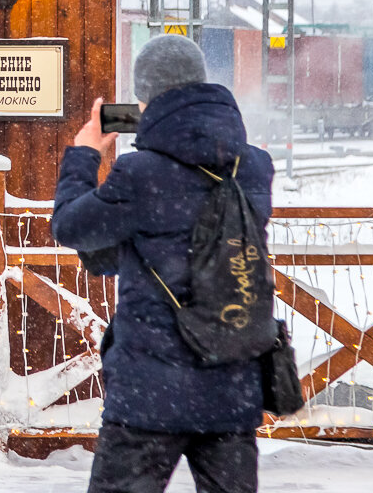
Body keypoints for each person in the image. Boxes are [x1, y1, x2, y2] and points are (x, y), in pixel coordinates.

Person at [52, 33, 275, 493]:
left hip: (150, 394)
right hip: (231, 382)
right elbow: (191, 242)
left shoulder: (140, 175)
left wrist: (84, 153)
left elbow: (71, 227)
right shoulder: (252, 167)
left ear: (146, 99)